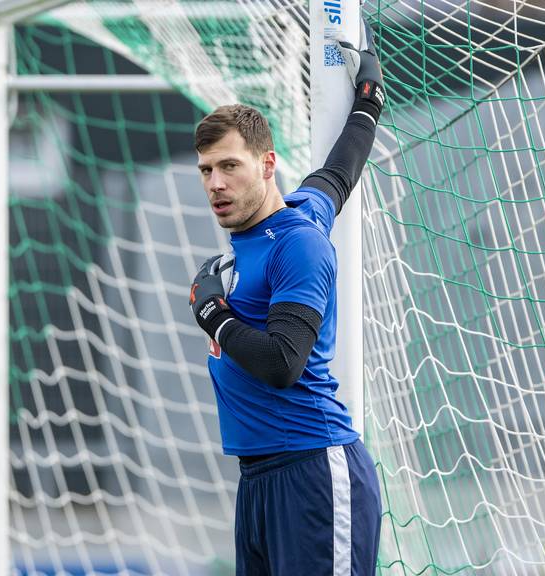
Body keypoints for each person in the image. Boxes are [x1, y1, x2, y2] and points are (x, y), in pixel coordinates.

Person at [187, 17, 386, 576]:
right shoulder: (302, 211)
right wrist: (368, 103)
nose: (215, 184)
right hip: (258, 481)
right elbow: (339, 173)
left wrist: (212, 315)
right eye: (206, 170)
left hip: (313, 476)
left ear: (267, 165)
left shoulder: (297, 246)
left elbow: (281, 363)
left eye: (230, 166)